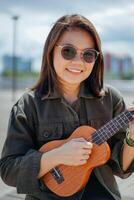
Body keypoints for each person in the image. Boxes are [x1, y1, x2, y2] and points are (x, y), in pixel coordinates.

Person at [0, 14, 134, 200]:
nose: (78, 62)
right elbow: (8, 170)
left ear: (96, 60)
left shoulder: (111, 99)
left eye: (88, 54)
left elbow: (120, 166)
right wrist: (56, 156)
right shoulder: (28, 105)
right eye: (68, 51)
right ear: (50, 52)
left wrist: (131, 139)